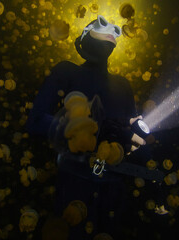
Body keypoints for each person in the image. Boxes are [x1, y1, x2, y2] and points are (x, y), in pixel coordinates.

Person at [26, 16, 149, 239]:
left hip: (116, 184)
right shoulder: (66, 71)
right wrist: (78, 131)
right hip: (74, 180)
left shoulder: (123, 85)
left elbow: (133, 133)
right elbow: (34, 121)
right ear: (84, 34)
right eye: (102, 23)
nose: (112, 30)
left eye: (115, 29)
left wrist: (135, 142)